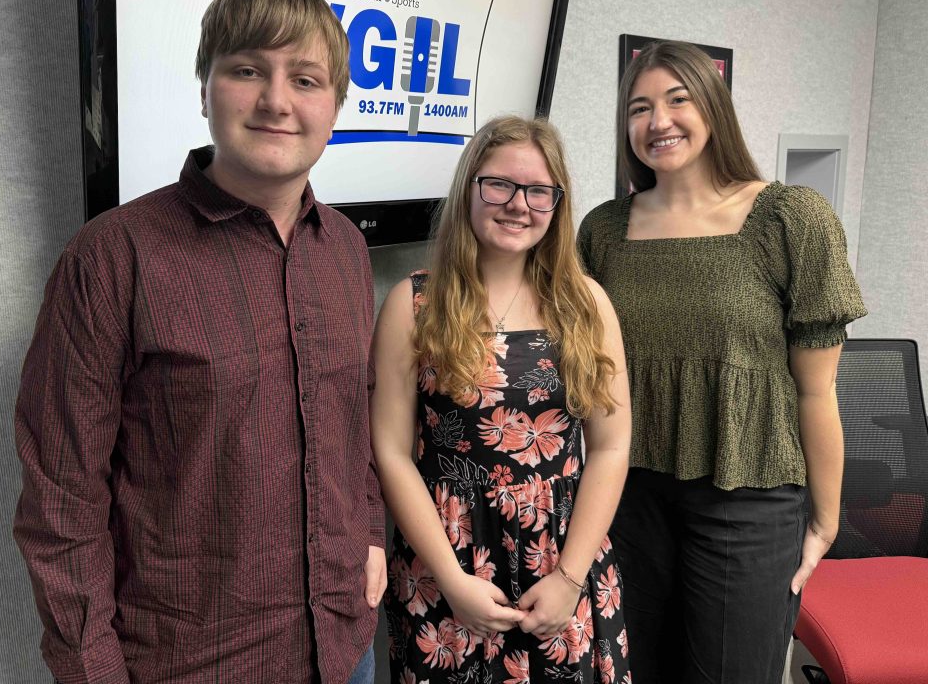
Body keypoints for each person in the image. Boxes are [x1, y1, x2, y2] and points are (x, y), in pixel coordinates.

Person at [12, 0, 386, 683]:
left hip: (344, 646)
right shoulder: (113, 256)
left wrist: (368, 530)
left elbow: (351, 422)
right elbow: (62, 500)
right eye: (247, 70)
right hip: (193, 663)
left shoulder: (343, 247)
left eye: (305, 79)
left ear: (336, 105)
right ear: (206, 87)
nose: (277, 100)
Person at [577, 40, 868, 684]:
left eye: (677, 100)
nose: (659, 122)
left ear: (713, 107)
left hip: (751, 496)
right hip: (630, 499)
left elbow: (817, 393)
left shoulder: (790, 218)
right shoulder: (603, 229)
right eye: (639, 108)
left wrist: (826, 518)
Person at [372, 116, 633, 683]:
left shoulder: (586, 303)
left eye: (539, 191)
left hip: (563, 561)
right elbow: (390, 452)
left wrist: (568, 579)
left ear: (556, 203)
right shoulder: (414, 302)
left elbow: (611, 448)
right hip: (446, 563)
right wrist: (450, 579)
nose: (519, 204)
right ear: (469, 187)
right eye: (500, 185)